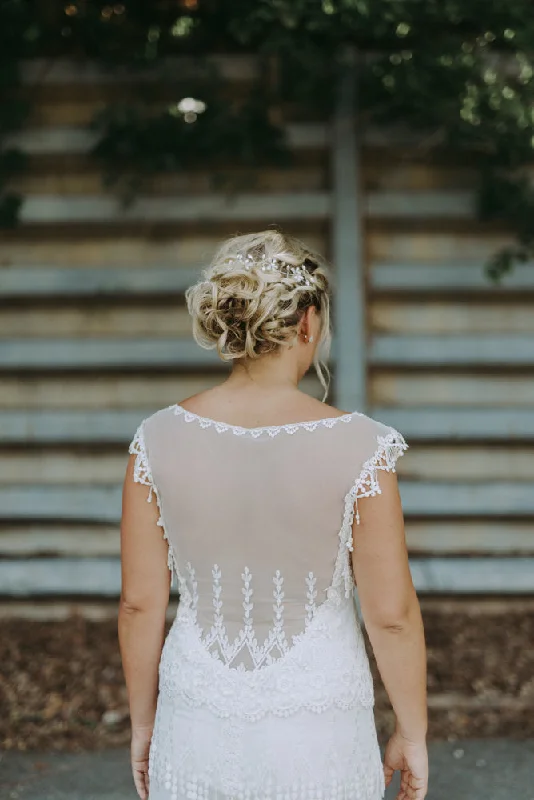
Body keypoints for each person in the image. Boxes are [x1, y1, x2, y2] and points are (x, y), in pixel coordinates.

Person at [118, 229, 428, 800]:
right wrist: (413, 731)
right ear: (307, 323)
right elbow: (391, 615)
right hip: (319, 731)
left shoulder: (155, 440)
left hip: (195, 720)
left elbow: (140, 603)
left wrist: (143, 727)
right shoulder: (363, 447)